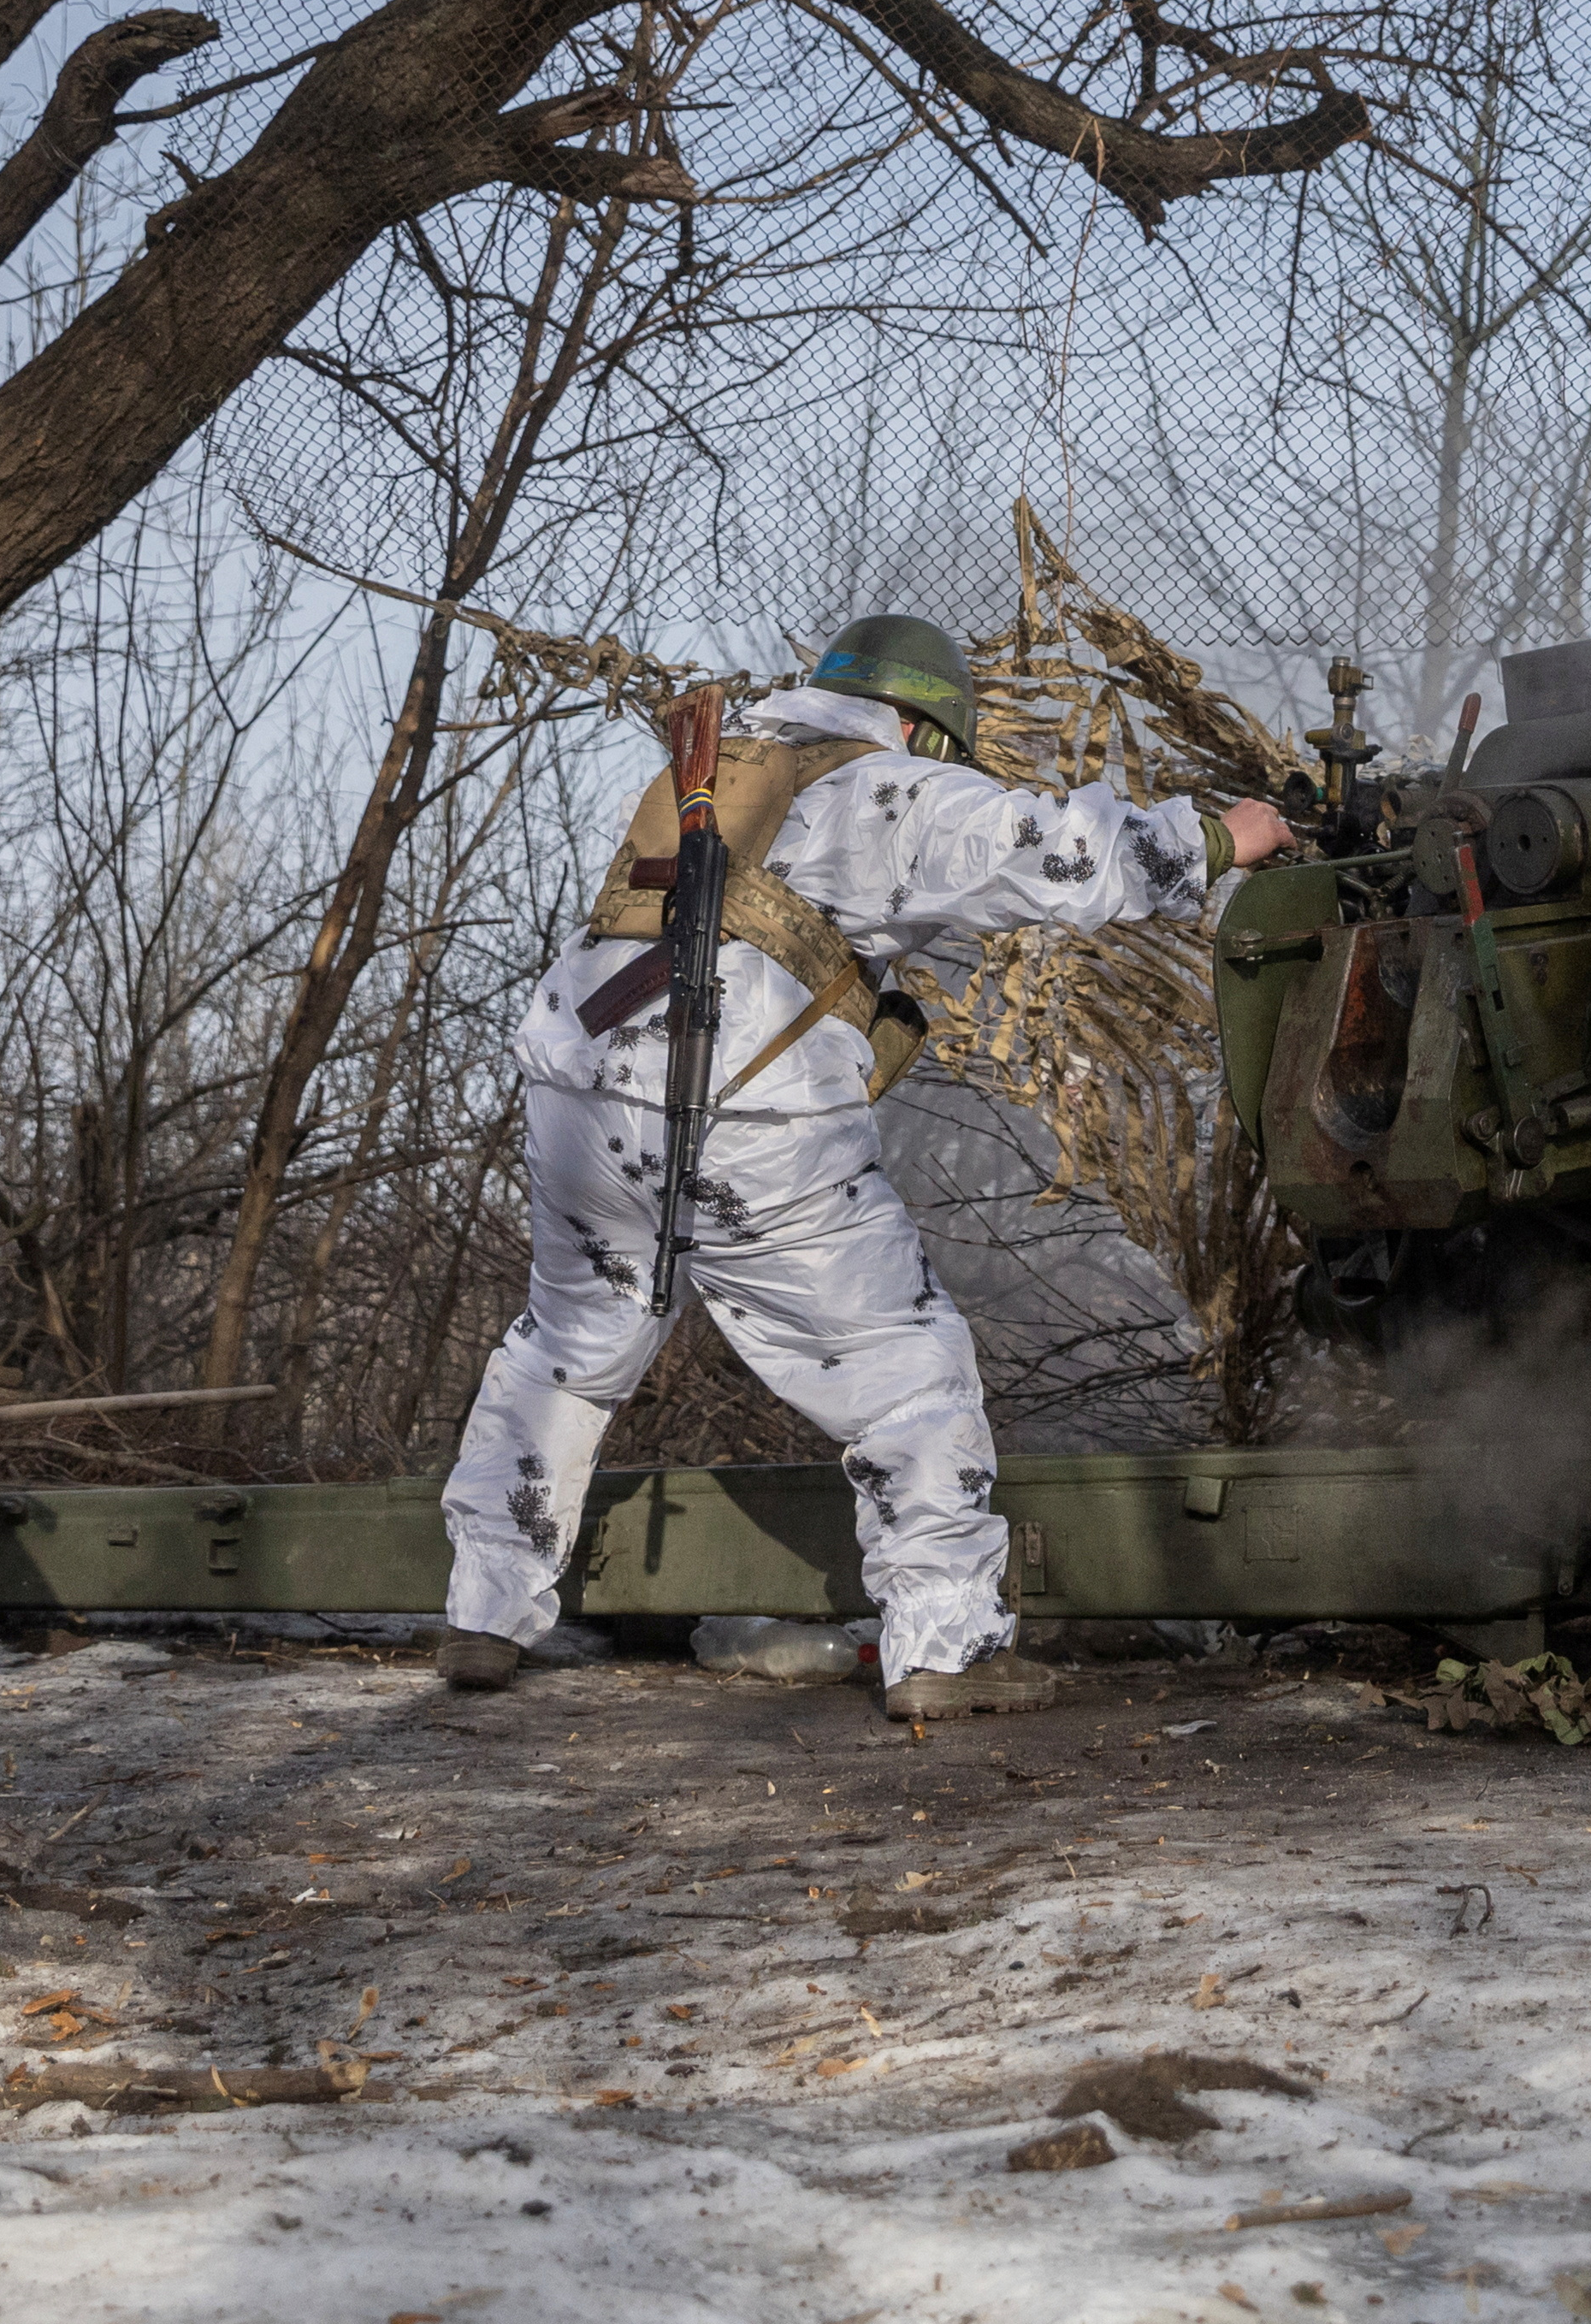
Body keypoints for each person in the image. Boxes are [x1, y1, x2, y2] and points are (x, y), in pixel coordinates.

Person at [435, 613, 1296, 1718]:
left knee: (563, 1351)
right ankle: (943, 1647)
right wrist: (1217, 839)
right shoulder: (891, 787)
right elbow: (1055, 854)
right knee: (906, 1368)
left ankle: (484, 1614)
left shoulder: (723, 769)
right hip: (750, 1114)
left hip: (580, 1094)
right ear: (923, 727)